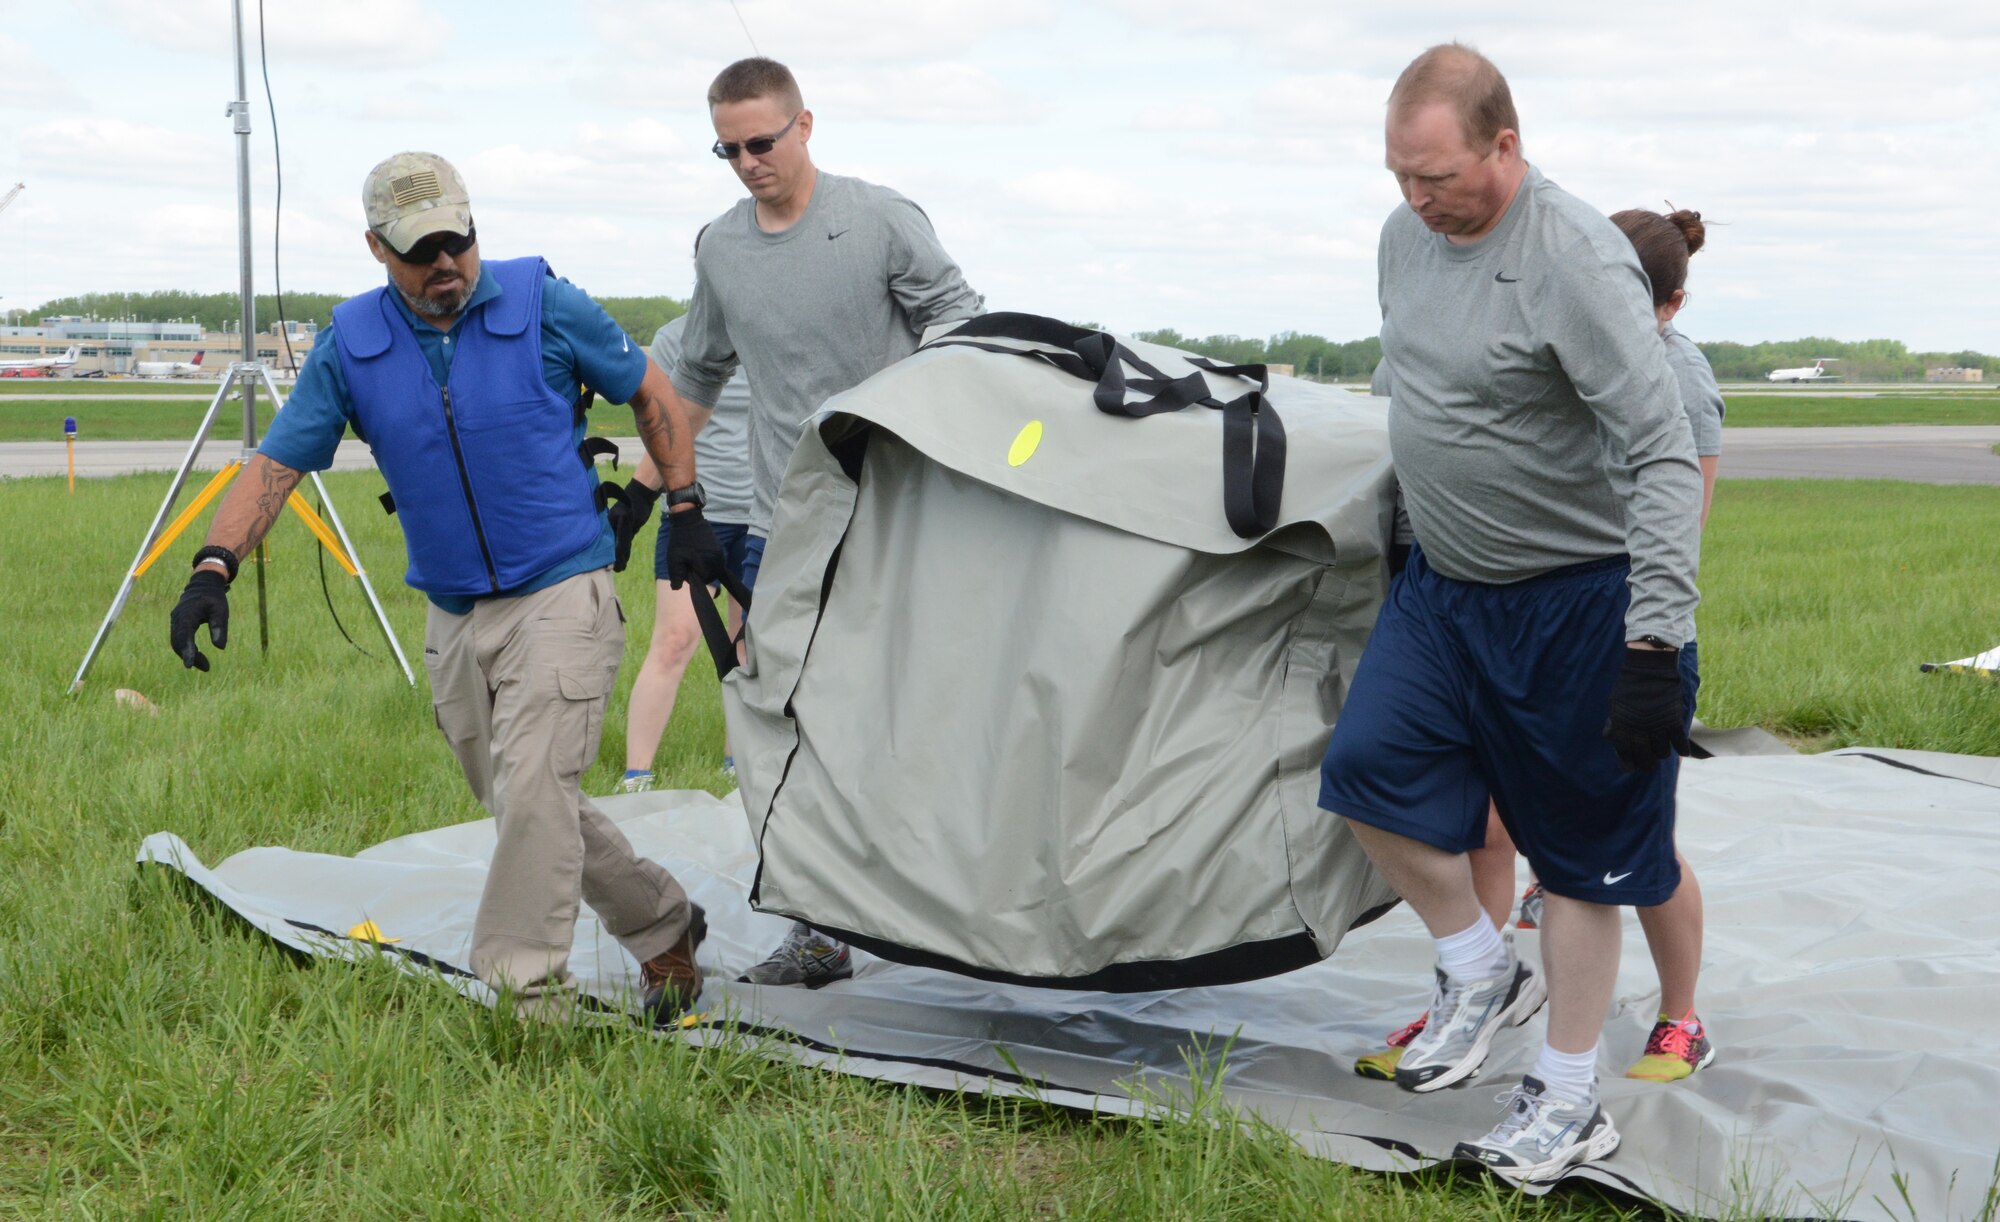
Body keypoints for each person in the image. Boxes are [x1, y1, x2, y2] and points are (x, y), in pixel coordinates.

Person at [167, 151, 725, 1025]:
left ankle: (525, 1000)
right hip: (455, 607)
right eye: (419, 252)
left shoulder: (544, 301)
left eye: (456, 243)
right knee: (523, 800)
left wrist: (683, 505)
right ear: (376, 251)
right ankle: (664, 923)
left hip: (563, 585)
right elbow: (278, 461)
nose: (444, 267)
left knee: (536, 785)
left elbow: (650, 390)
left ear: (474, 228)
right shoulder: (353, 343)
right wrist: (214, 567)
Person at [1318, 44, 1703, 1184]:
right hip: (1443, 588)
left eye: (1435, 175)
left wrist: (1653, 639)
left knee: (1579, 858)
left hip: (1571, 599)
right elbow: (1425, 400)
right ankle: (1478, 966)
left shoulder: (1572, 257)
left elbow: (1659, 449)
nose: (1415, 199)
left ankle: (1569, 1094)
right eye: (1397, 176)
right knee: (1364, 771)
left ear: (1503, 143)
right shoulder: (1406, 238)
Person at [605, 57, 983, 989]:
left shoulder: (880, 220)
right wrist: (648, 493)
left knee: (911, 716)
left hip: (900, 518)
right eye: (727, 149)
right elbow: (693, 376)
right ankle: (820, 931)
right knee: (785, 720)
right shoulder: (724, 248)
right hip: (788, 525)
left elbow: (963, 325)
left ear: (805, 124)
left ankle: (965, 907)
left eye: (761, 142)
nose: (746, 163)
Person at [1360, 207, 1723, 1086]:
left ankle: (1680, 1018)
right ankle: (1478, 984)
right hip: (1480, 618)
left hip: (1610, 626)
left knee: (1626, 848)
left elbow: (1681, 514)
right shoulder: (1520, 327)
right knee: (1484, 823)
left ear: (1666, 306)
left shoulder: (1674, 377)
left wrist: (1645, 654)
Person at [612, 306, 756, 794]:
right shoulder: (677, 340)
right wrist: (643, 498)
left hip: (765, 514)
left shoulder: (778, 333)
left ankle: (741, 768)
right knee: (675, 640)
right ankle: (637, 776)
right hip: (695, 514)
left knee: (750, 647)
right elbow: (663, 423)